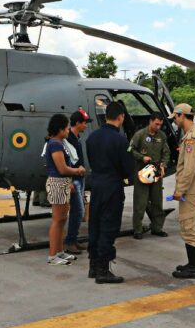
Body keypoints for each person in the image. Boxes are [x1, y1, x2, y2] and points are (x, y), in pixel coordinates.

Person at [86, 102, 134, 284]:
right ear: (121, 117)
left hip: (96, 186)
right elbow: (127, 168)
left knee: (95, 226)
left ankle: (93, 265)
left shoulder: (92, 137)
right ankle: (103, 271)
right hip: (112, 187)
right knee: (109, 227)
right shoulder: (121, 140)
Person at [169, 103, 195, 279]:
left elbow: (189, 169)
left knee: (190, 227)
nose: (175, 121)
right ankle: (194, 264)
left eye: (175, 118)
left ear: (181, 116)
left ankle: (194, 268)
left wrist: (180, 190)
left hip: (190, 192)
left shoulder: (191, 138)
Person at [43, 113, 86, 265]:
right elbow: (62, 169)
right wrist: (78, 171)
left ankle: (59, 251)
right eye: (66, 128)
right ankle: (52, 255)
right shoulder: (55, 144)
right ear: (60, 129)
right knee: (57, 219)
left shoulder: (58, 143)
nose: (68, 130)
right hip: (58, 183)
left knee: (62, 219)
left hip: (62, 183)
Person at [129, 112, 171, 239]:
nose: (158, 127)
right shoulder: (140, 135)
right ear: (151, 121)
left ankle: (157, 228)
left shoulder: (162, 136)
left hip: (156, 172)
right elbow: (130, 149)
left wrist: (163, 165)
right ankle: (137, 229)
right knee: (140, 202)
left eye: (160, 124)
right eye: (156, 124)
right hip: (142, 172)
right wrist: (142, 157)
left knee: (157, 201)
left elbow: (166, 152)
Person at [64, 109, 92, 255]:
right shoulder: (68, 138)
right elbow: (66, 161)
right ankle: (69, 242)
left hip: (79, 177)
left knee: (77, 210)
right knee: (79, 211)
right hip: (73, 179)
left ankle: (73, 239)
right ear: (77, 123)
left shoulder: (76, 137)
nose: (86, 125)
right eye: (84, 122)